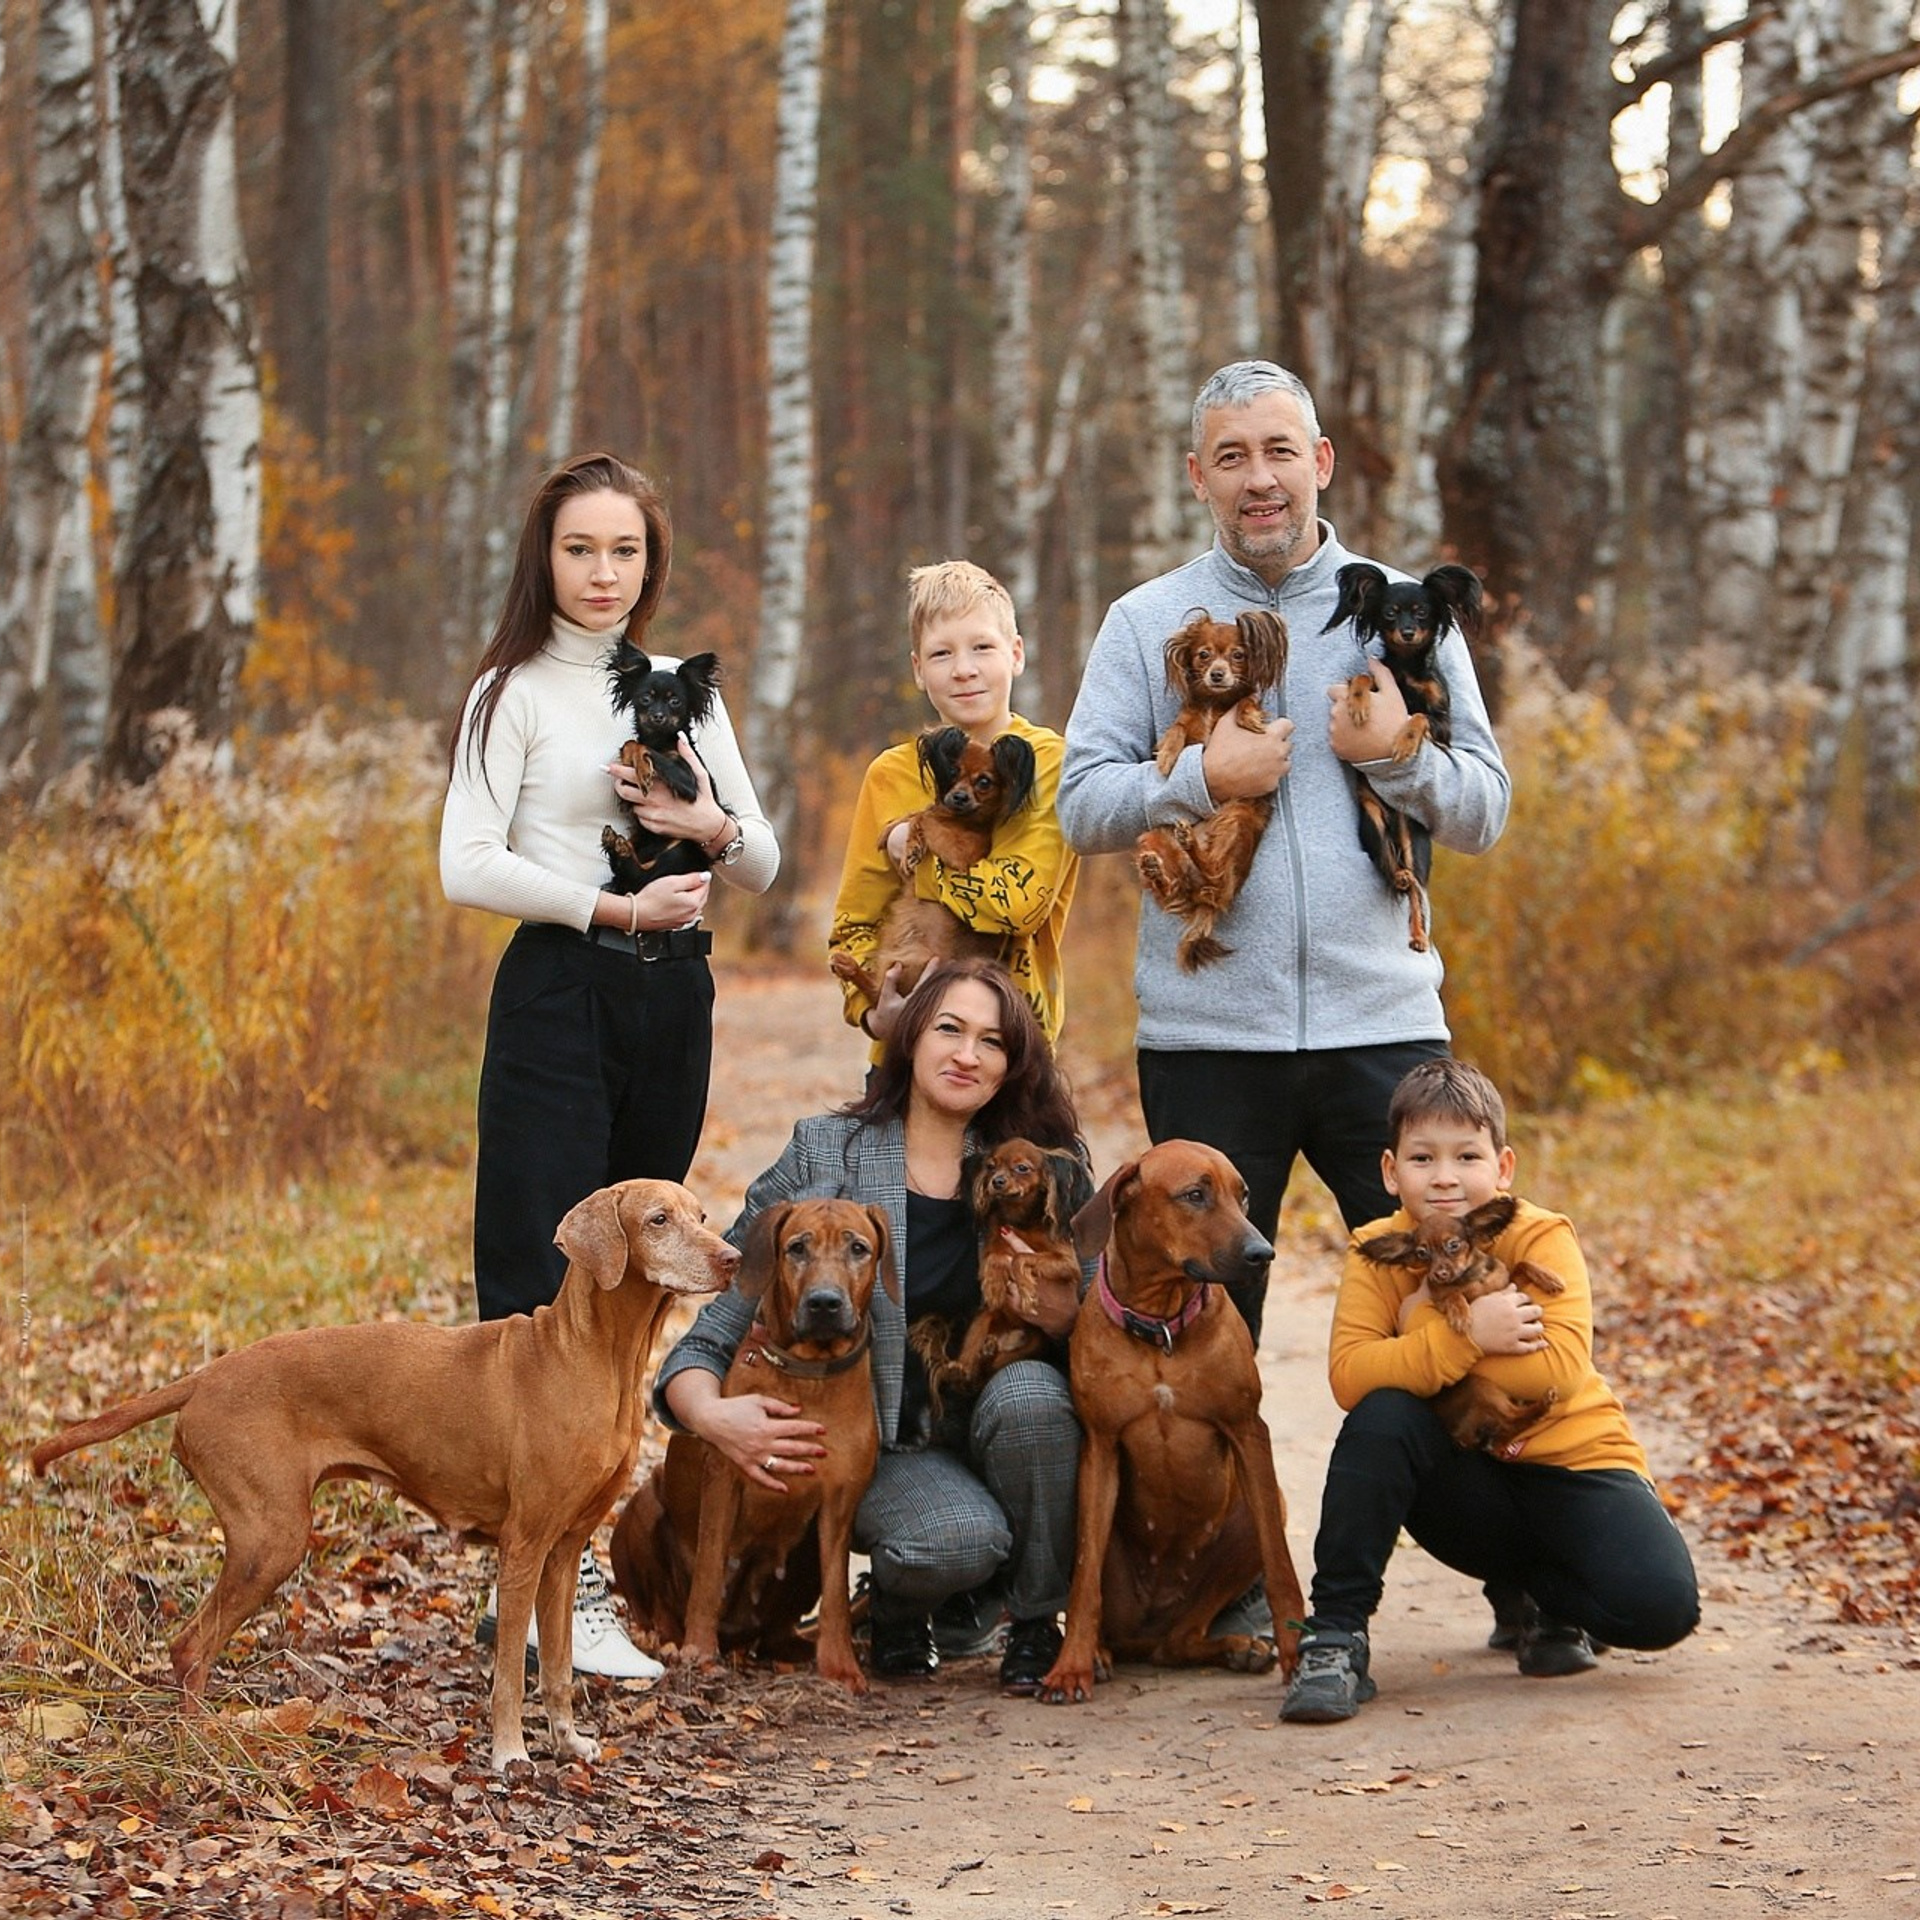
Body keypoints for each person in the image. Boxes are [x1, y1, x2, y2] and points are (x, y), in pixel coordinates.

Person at [1057, 361, 1512, 1347]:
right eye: (1231, 457)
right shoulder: (1144, 620)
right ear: (1198, 477)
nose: (1258, 478)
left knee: (1446, 1328)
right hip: (1209, 1042)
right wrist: (1201, 779)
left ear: (1321, 461)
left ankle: (1449, 1508)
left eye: (1276, 452)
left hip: (1384, 1038)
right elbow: (1080, 804)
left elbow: (1483, 810)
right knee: (1200, 1354)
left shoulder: (1405, 607)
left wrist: (1401, 756)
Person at [441, 450, 778, 1679]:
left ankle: (576, 1559)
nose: (602, 573)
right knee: (545, 1270)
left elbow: (765, 862)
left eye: (624, 551)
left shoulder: (684, 687)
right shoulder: (511, 692)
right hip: (560, 987)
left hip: (670, 1001)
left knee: (638, 1277)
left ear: (652, 561)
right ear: (546, 558)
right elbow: (466, 863)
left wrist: (709, 827)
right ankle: (543, 1594)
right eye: (580, 549)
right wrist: (611, 911)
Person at [653, 959, 1088, 1693]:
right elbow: (715, 1328)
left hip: (1002, 1435)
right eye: (949, 1029)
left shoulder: (1039, 1169)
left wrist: (1064, 1315)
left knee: (1036, 1401)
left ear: (1012, 1065)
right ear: (911, 1035)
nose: (966, 1054)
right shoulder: (825, 1152)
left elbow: (1109, 1335)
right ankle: (901, 1604)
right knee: (950, 1542)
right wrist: (712, 1414)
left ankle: (1035, 1621)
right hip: (884, 1450)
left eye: (991, 1041)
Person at [1280, 1058, 1700, 1723]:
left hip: (1573, 1461)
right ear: (1391, 1172)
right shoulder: (1375, 1249)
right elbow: (1351, 1376)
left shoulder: (1541, 1234)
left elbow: (1553, 1370)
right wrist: (1466, 1333)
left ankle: (1548, 1599)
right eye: (1422, 1157)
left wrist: (1413, 1342)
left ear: (1502, 1168)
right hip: (1460, 1482)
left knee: (1660, 1607)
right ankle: (1335, 1634)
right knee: (1384, 1414)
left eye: (1466, 1156)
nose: (1444, 1176)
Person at [830, 561, 1079, 1052]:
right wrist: (873, 1013)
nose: (963, 669)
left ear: (1016, 654)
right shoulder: (891, 774)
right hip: (907, 1049)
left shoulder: (1050, 762)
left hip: (1015, 1042)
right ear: (919, 670)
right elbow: (854, 921)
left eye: (982, 647)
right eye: (941, 653)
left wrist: (916, 850)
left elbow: (1018, 904)